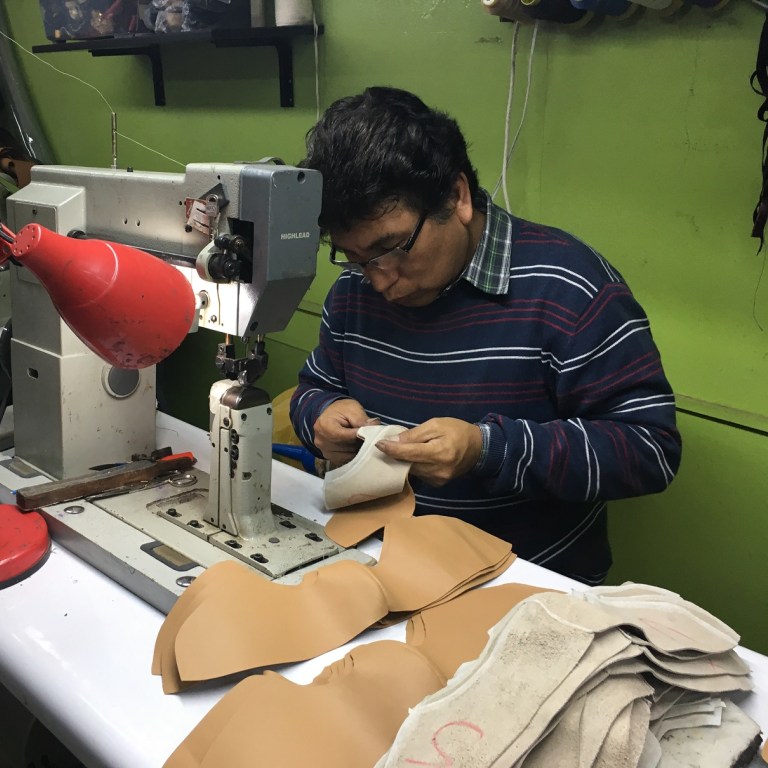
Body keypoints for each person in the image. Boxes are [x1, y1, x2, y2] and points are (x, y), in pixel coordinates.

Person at [289, 86, 682, 584]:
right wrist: (318, 417)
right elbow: (314, 389)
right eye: (355, 257)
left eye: (393, 248)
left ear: (457, 197)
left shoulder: (569, 287)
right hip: (381, 560)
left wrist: (490, 451)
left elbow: (649, 449)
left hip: (522, 582)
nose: (380, 281)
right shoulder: (356, 287)